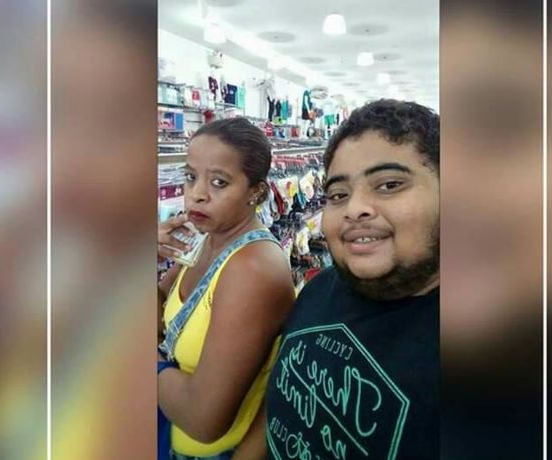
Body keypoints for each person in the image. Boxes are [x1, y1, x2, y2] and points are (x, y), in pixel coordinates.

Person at [234, 99, 440, 460]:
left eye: (389, 184)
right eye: (338, 195)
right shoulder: (318, 289)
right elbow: (281, 403)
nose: (354, 209)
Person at [157, 117, 295, 460]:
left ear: (256, 192)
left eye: (219, 182)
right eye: (191, 177)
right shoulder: (206, 239)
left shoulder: (252, 269)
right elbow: (159, 298)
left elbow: (203, 420)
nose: (197, 194)